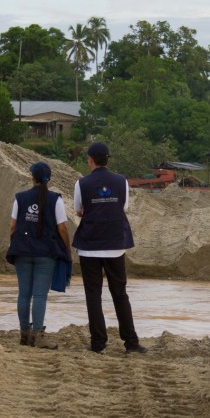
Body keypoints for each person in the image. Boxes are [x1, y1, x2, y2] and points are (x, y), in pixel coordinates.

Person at [72, 142, 147, 355]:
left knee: (93, 295)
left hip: (90, 247)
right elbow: (123, 207)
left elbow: (78, 209)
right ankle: (131, 343)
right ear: (108, 159)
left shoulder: (81, 183)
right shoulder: (121, 181)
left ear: (90, 160)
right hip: (115, 245)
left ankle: (98, 343)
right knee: (120, 294)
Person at [6, 161, 71, 349]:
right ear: (48, 179)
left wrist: (15, 243)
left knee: (23, 294)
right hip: (46, 254)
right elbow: (62, 228)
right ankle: (38, 336)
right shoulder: (56, 200)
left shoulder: (20, 198)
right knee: (40, 296)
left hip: (22, 252)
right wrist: (66, 250)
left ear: (31, 177)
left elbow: (12, 226)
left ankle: (23, 335)